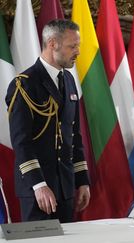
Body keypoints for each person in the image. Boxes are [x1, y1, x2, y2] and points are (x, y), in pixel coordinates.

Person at [5, 19, 90, 222]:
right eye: (73, 46)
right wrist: (39, 185)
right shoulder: (24, 84)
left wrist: (82, 181)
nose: (77, 51)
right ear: (52, 44)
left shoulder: (68, 80)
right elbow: (21, 141)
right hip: (38, 190)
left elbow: (73, 136)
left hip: (66, 188)